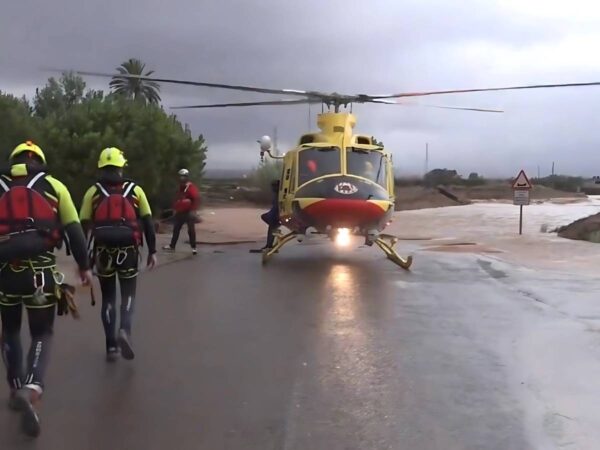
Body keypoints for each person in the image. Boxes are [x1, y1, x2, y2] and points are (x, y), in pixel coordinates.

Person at [0, 141, 92, 438]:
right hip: (40, 274)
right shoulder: (54, 186)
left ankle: (15, 389)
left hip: (5, 275)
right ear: (39, 161)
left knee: (10, 330)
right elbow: (75, 229)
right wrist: (84, 266)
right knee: (42, 332)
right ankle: (33, 386)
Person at [79, 147, 157, 363]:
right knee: (129, 294)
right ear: (122, 167)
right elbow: (148, 223)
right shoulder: (136, 190)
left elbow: (82, 225)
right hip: (129, 251)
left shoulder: (92, 192)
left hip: (103, 251)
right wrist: (152, 251)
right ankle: (125, 330)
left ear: (101, 167)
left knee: (109, 299)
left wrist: (82, 259)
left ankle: (111, 347)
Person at [162, 168, 199, 255]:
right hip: (180, 212)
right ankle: (172, 246)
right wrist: (175, 208)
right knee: (176, 229)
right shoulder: (180, 188)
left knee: (191, 230)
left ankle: (194, 247)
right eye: (180, 176)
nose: (182, 178)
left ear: (187, 177)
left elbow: (195, 199)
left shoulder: (191, 187)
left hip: (189, 212)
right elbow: (178, 199)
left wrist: (193, 210)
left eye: (183, 176)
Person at [260, 180, 280, 249]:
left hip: (276, 214)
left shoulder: (279, 195)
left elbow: (277, 207)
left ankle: (269, 244)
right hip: (273, 213)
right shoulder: (276, 195)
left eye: (274, 187)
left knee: (272, 226)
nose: (273, 189)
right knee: (270, 223)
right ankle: (270, 243)